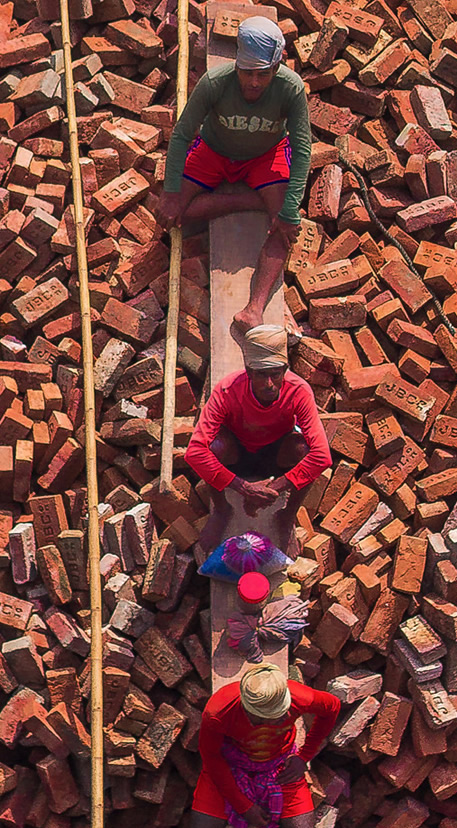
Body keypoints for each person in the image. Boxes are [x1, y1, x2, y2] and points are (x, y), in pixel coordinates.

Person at [157, 16, 311, 334]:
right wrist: (172, 192)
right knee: (172, 214)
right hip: (214, 151)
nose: (254, 83)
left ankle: (254, 309)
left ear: (276, 68)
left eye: (263, 75)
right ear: (237, 65)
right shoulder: (215, 82)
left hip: (264, 156)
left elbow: (302, 149)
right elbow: (182, 135)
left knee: (285, 228)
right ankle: (248, 200)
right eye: (247, 73)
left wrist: (290, 209)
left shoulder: (290, 88)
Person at [184, 325, 331, 553]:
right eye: (261, 374)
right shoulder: (227, 390)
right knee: (214, 447)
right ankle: (222, 510)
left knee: (303, 449)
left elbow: (322, 456)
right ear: (249, 371)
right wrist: (244, 489)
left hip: (275, 454)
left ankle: (287, 514)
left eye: (275, 373)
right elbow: (194, 453)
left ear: (285, 369)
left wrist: (272, 489)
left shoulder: (299, 390)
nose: (269, 384)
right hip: (238, 454)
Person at [186, 663, 341, 828]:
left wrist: (304, 756)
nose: (283, 718)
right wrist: (244, 806)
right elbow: (212, 758)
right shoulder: (219, 712)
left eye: (283, 711)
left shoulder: (298, 697)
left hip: (278, 767)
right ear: (251, 712)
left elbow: (332, 707)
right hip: (230, 766)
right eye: (274, 716)